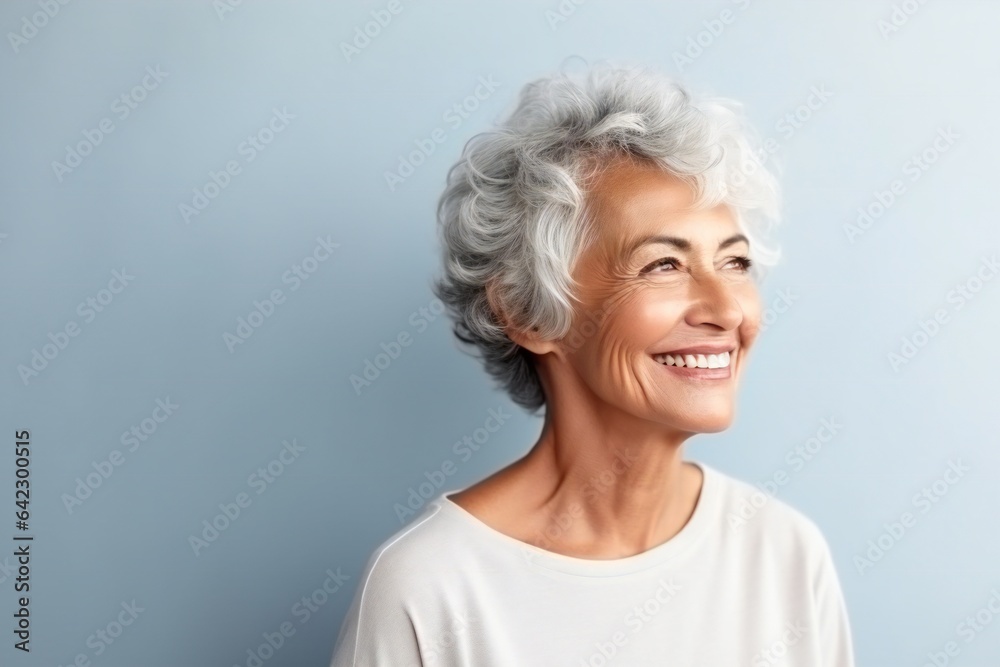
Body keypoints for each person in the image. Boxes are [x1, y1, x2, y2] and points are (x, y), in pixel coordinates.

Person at [329, 61, 855, 666]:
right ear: (528, 312)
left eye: (735, 263)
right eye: (665, 265)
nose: (726, 310)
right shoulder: (430, 587)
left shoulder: (784, 554)